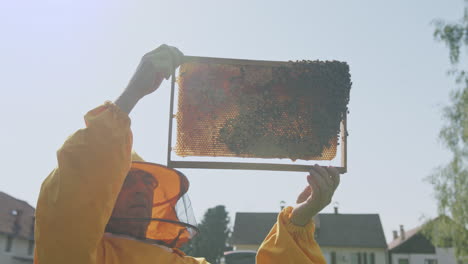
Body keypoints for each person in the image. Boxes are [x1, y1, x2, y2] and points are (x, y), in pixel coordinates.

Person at [34, 44, 341, 264]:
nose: (142, 190)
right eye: (129, 182)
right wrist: (131, 95)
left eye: (148, 184)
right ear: (103, 193)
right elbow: (77, 188)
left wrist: (300, 220)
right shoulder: (79, 252)